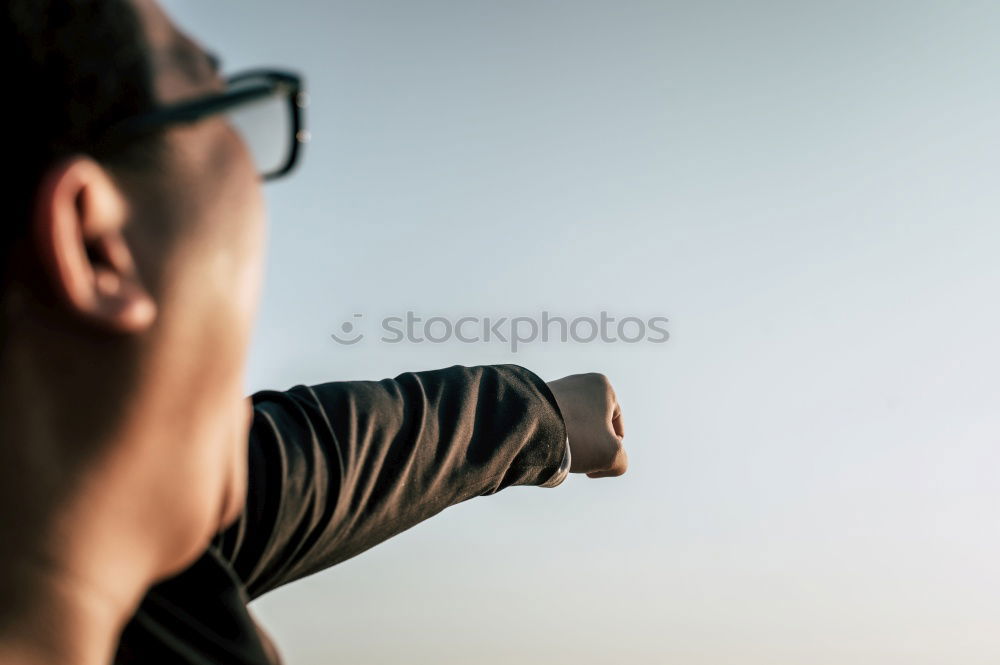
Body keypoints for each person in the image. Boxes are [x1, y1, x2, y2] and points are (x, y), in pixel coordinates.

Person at [0, 0, 630, 663]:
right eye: (213, 101)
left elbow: (308, 463)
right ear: (98, 247)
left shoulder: (112, 554)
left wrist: (540, 414)